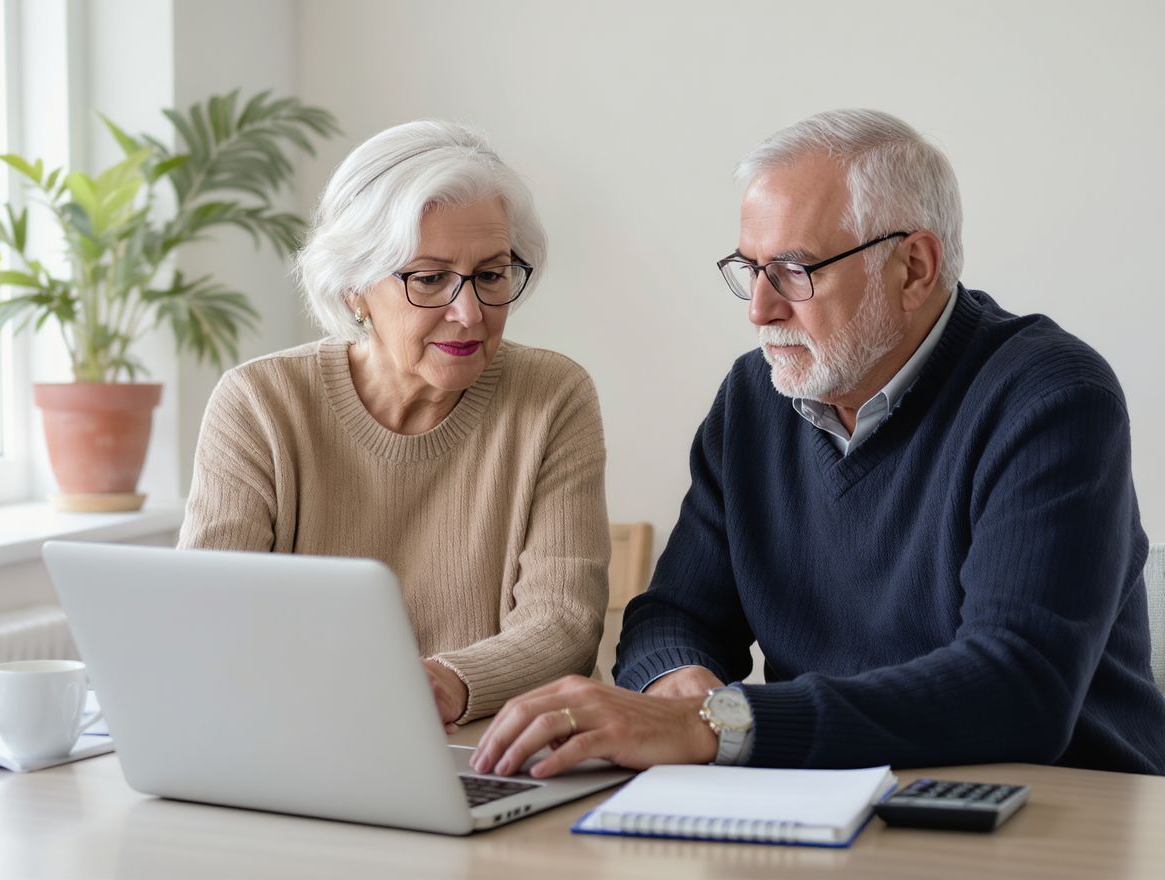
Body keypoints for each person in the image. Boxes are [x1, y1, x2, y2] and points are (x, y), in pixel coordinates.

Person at [473, 109, 1165, 780]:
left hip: (1056, 805)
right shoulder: (755, 396)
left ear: (914, 267)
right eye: (750, 268)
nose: (760, 309)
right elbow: (676, 613)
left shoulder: (1050, 397)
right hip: (823, 795)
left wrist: (718, 724)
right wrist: (677, 686)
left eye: (795, 270)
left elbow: (1016, 688)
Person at [179, 121, 609, 730]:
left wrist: (445, 684)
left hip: (492, 744)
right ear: (354, 288)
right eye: (429, 278)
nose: (469, 313)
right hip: (305, 734)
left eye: (491, 275)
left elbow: (564, 624)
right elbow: (207, 614)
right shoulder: (260, 403)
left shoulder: (552, 396)